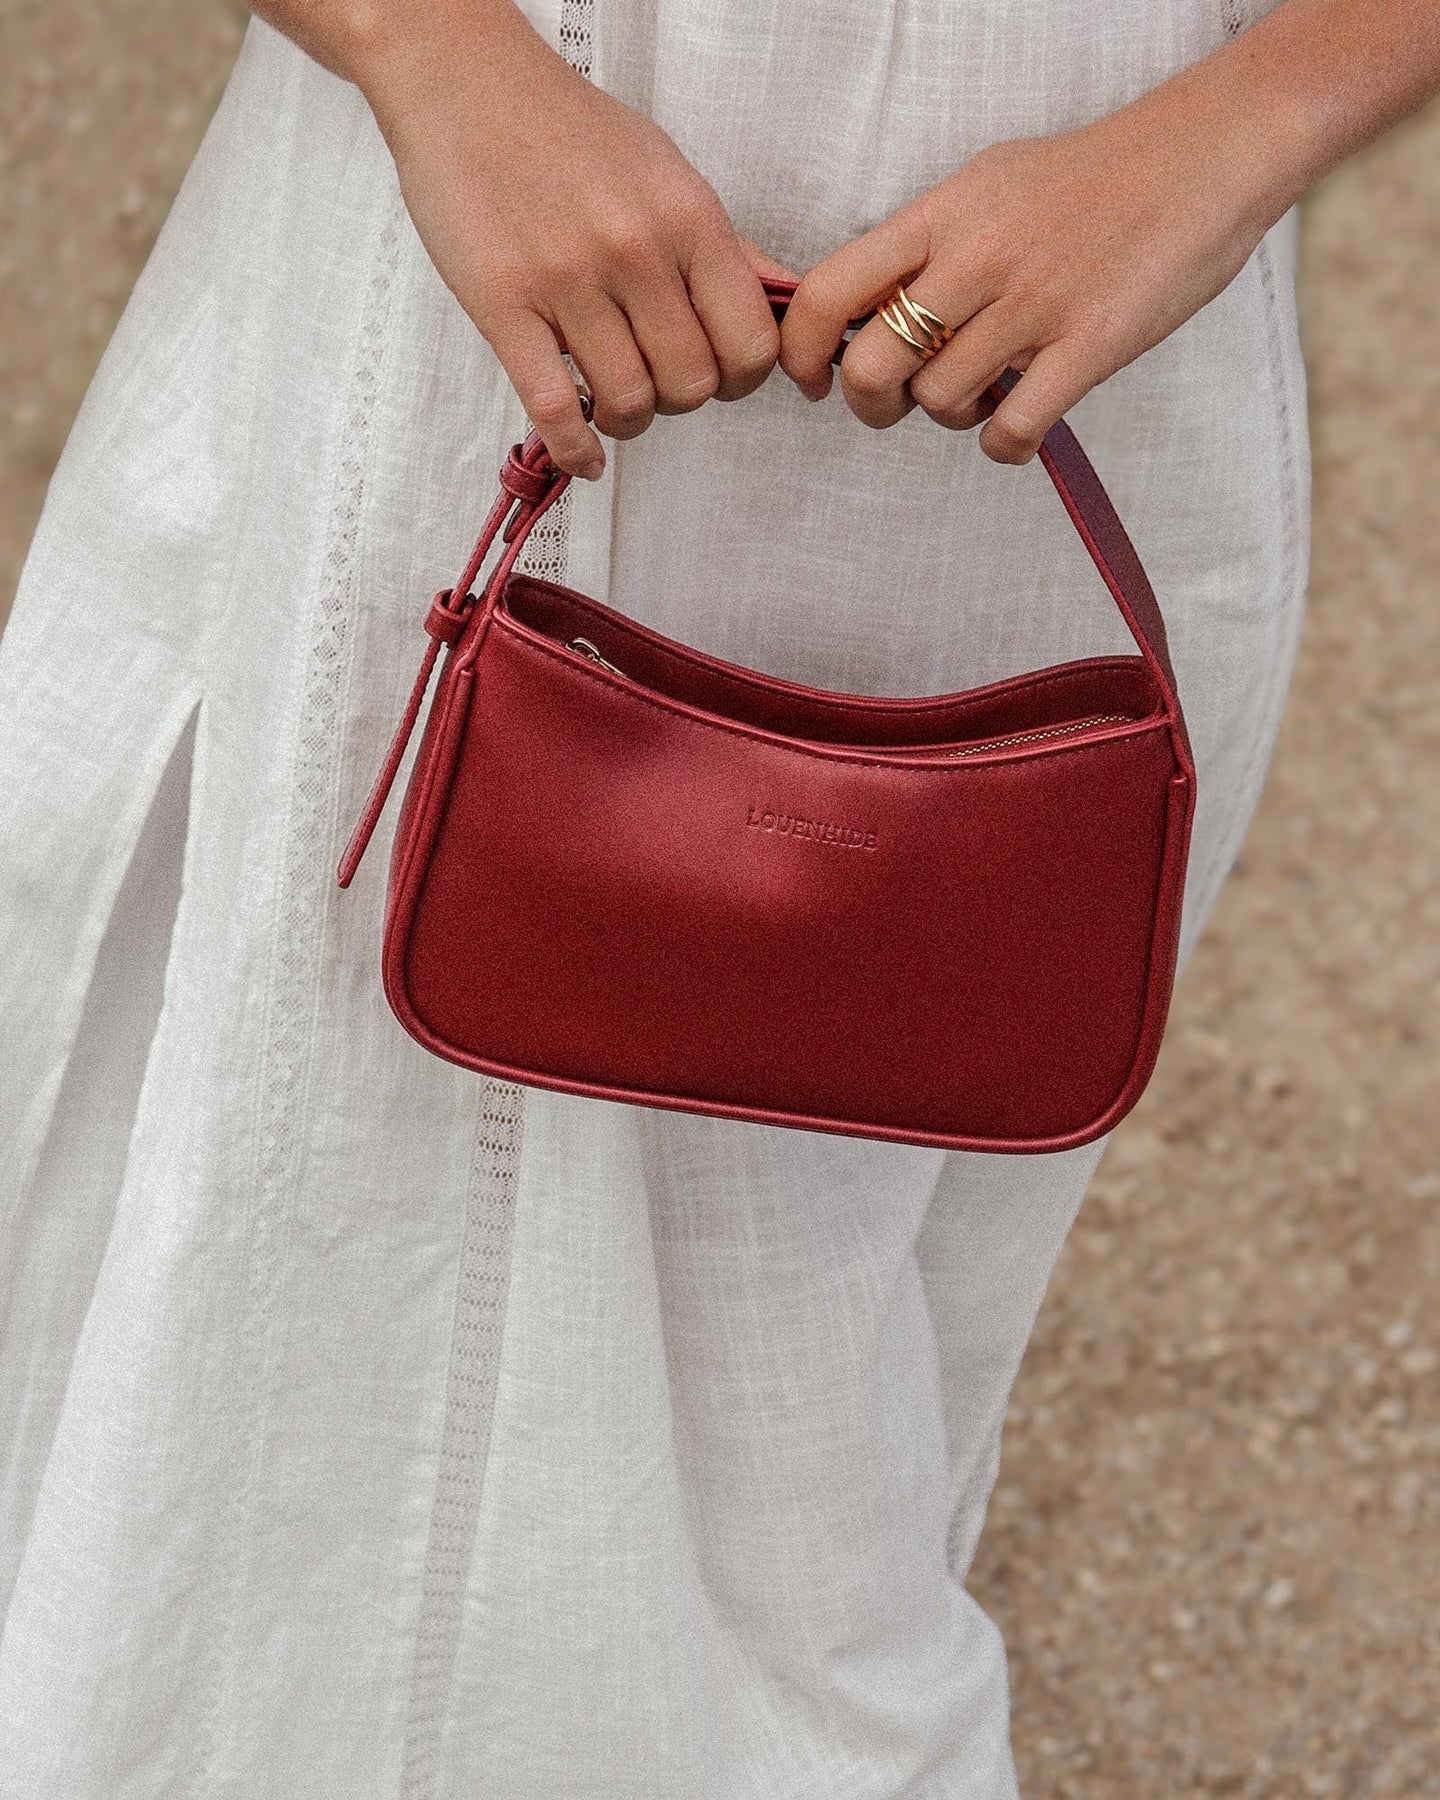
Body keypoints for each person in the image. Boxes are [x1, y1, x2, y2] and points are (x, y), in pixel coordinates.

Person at [0, 0, 1435, 1793]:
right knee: (232, 1274)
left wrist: (1242, 128)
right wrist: (431, 56)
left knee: (806, 1429)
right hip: (465, 246)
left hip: (1083, 315)